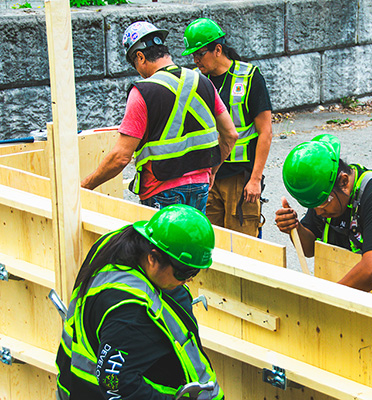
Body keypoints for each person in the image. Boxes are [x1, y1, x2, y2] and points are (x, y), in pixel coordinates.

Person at [55, 204, 224, 399]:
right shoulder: (131, 315)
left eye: (194, 272)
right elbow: (114, 383)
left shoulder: (116, 244)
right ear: (153, 258)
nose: (188, 280)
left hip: (72, 384)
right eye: (183, 272)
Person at [81, 21, 238, 213]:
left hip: (160, 190)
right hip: (200, 186)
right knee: (194, 241)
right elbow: (231, 134)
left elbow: (120, 158)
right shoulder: (203, 82)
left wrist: (86, 186)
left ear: (140, 56)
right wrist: (212, 170)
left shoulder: (143, 92)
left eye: (135, 64)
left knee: (161, 243)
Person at [182, 18, 272, 237]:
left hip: (240, 178)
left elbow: (266, 132)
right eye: (192, 55)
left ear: (218, 49)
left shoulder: (249, 77)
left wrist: (255, 180)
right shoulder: (198, 81)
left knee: (244, 247)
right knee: (211, 243)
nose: (195, 60)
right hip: (209, 175)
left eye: (199, 54)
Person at [275, 134, 372, 292]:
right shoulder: (324, 194)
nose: (318, 212)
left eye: (321, 204)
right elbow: (309, 249)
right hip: (351, 294)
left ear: (343, 181)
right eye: (313, 206)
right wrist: (294, 227)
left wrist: (328, 297)